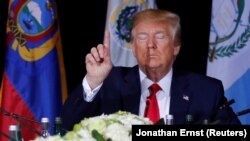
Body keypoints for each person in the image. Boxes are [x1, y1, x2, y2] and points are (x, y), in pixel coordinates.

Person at [61, 9, 240, 130]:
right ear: (133, 46)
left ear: (176, 46)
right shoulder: (108, 82)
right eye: (142, 37)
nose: (150, 45)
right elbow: (65, 126)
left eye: (160, 37)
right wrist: (92, 82)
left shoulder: (205, 91)